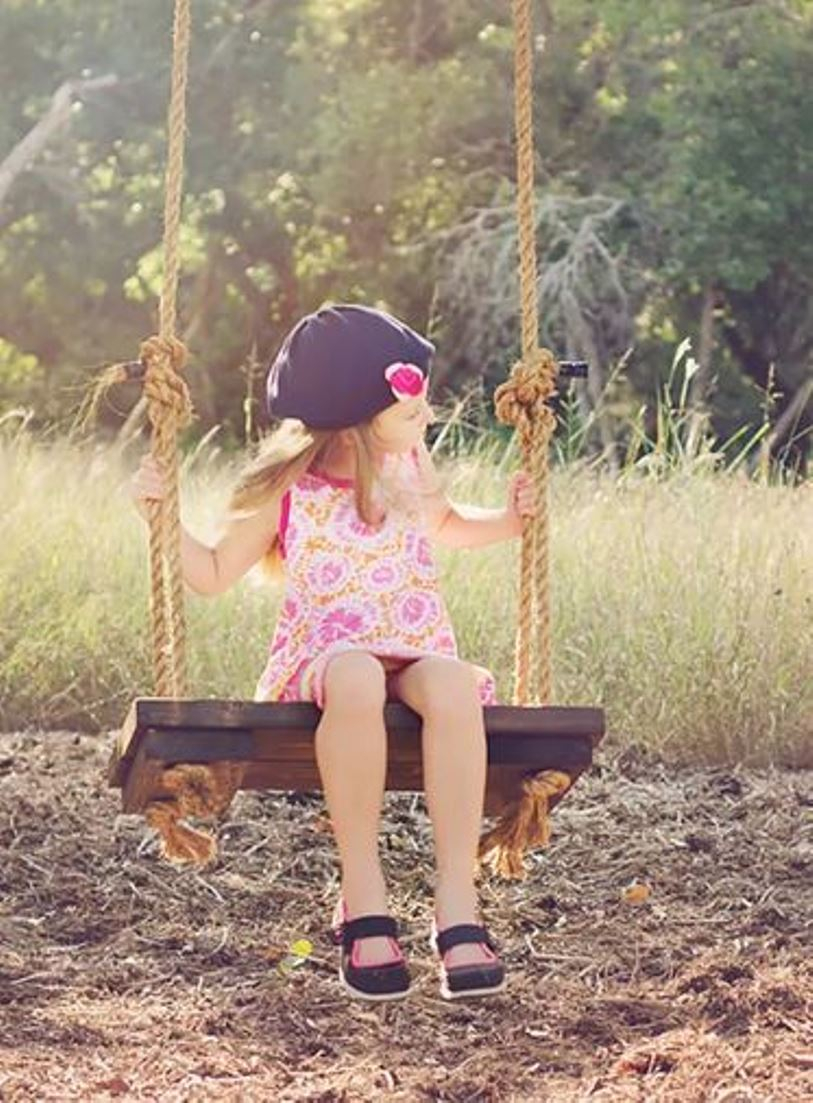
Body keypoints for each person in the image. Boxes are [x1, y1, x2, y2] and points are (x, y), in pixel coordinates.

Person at [131, 303, 535, 1002]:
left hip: (413, 647)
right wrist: (161, 519)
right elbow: (213, 573)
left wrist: (507, 521)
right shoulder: (291, 486)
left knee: (450, 685)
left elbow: (443, 522)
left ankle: (457, 900)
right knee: (352, 672)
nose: (427, 418)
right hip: (325, 660)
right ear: (355, 412)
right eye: (411, 409)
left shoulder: (408, 462)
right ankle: (362, 892)